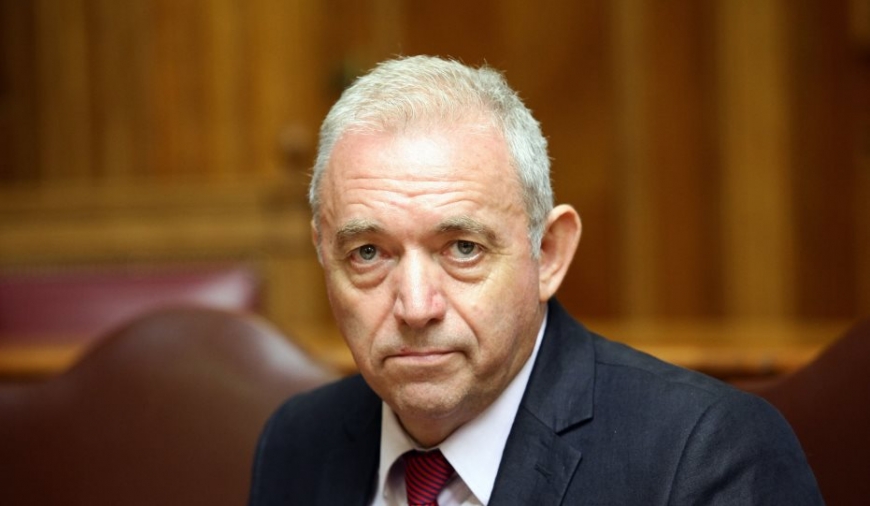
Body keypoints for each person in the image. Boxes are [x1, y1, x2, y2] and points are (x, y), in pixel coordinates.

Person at [248, 55, 822, 505]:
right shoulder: (297, 442)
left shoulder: (705, 455)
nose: (416, 307)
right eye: (369, 253)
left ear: (547, 253)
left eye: (463, 248)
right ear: (323, 255)